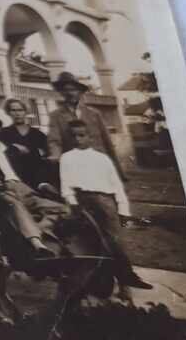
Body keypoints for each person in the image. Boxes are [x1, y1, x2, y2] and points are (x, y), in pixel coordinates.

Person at [60, 120, 153, 289]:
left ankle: (126, 276)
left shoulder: (102, 159)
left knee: (114, 240)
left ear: (90, 137)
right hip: (82, 200)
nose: (78, 139)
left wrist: (123, 210)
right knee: (91, 243)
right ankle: (103, 280)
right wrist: (73, 204)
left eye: (82, 135)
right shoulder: (67, 158)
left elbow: (116, 185)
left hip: (105, 200)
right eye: (74, 136)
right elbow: (66, 185)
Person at [0, 112, 68, 260]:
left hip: (23, 188)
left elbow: (28, 172)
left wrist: (42, 184)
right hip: (0, 191)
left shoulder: (12, 150)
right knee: (15, 205)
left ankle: (40, 230)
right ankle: (37, 244)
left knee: (63, 209)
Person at [46, 71, 125, 179]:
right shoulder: (55, 116)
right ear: (62, 93)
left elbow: (107, 142)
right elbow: (54, 140)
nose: (70, 93)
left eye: (73, 89)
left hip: (97, 160)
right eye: (66, 90)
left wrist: (117, 171)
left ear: (79, 92)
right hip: (75, 163)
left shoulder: (94, 114)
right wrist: (56, 155)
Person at [0, 98, 54, 189]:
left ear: (25, 111)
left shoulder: (37, 134)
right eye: (13, 110)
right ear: (8, 112)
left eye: (20, 110)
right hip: (15, 176)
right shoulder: (3, 133)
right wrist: (13, 146)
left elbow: (48, 154)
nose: (17, 114)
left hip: (37, 176)